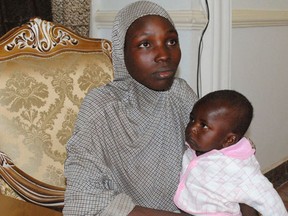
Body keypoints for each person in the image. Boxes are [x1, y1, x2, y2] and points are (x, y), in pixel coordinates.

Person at [63, 1, 259, 215]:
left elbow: (214, 157)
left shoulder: (179, 93)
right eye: (146, 44)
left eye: (171, 41)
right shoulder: (102, 107)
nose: (164, 55)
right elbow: (83, 200)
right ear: (122, 52)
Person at [173, 90, 288, 216]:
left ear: (228, 139)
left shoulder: (238, 168)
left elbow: (268, 198)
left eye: (204, 125)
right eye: (192, 119)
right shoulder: (198, 146)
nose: (192, 128)